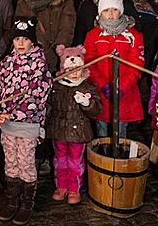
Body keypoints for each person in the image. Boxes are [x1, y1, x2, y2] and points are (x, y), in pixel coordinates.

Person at [0, 18, 52, 225]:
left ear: (32, 41)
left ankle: (26, 204)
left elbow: (36, 95)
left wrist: (12, 114)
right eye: (17, 39)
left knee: (25, 163)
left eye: (25, 39)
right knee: (10, 163)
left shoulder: (39, 64)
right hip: (6, 125)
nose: (21, 43)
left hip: (27, 124)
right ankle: (12, 202)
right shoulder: (6, 62)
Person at [84, 0, 144, 138]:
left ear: (121, 11)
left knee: (121, 132)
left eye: (114, 9)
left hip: (125, 93)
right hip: (102, 92)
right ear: (100, 13)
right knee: (102, 131)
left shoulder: (133, 36)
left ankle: (119, 160)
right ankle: (103, 158)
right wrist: (102, 85)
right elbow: (90, 63)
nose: (110, 14)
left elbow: (136, 65)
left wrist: (121, 87)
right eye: (106, 10)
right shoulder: (93, 36)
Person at [47, 45, 102, 205]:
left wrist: (87, 103)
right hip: (59, 131)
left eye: (77, 67)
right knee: (60, 160)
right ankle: (61, 186)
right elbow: (49, 106)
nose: (74, 71)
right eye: (70, 68)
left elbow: (96, 110)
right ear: (63, 67)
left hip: (79, 134)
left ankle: (74, 188)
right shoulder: (56, 85)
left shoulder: (87, 85)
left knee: (75, 162)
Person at [15, 0, 76, 74]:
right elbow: (21, 28)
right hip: (32, 55)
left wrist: (60, 45)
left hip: (57, 53)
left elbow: (67, 26)